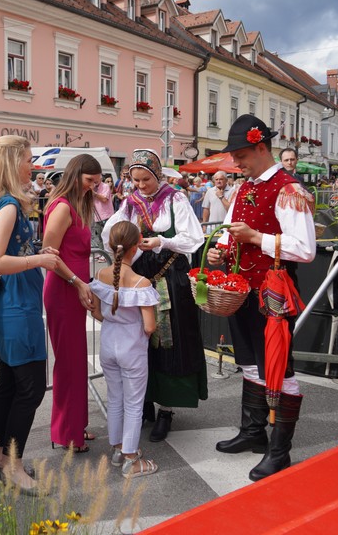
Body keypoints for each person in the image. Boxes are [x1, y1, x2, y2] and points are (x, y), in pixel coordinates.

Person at [207, 114, 316, 482]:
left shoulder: (289, 189)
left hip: (273, 292)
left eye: (240, 155)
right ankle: (254, 433)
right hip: (242, 288)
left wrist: (256, 238)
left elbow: (305, 249)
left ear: (261, 147)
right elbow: (230, 233)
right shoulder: (243, 188)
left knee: (278, 368)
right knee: (251, 363)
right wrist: (220, 251)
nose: (235, 163)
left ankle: (279, 450)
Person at [101, 150, 205, 443]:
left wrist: (162, 241)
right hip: (139, 279)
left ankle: (167, 409)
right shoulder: (130, 203)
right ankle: (143, 402)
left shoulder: (175, 198)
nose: (140, 185)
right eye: (135, 180)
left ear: (157, 175)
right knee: (140, 342)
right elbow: (111, 233)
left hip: (170, 278)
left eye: (145, 179)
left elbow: (193, 238)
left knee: (169, 343)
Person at [0, 136, 60, 494]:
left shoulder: (0, 202)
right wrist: (39, 259)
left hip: (14, 303)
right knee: (30, 388)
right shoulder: (9, 205)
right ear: (12, 163)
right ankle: (14, 465)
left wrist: (34, 255)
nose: (33, 166)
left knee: (10, 382)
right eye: (28, 159)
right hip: (17, 305)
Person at [89, 221, 159, 478]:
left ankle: (118, 448)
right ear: (135, 247)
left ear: (110, 245)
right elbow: (149, 326)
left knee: (115, 398)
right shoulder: (141, 283)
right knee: (133, 403)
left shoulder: (101, 275)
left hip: (108, 343)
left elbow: (96, 312)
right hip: (132, 347)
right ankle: (131, 458)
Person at [42, 154, 100, 453]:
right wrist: (77, 282)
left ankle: (75, 426)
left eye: (96, 182)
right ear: (76, 175)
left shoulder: (76, 205)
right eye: (89, 181)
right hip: (64, 289)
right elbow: (49, 253)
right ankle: (67, 433)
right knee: (69, 363)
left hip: (75, 288)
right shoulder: (63, 206)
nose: (92, 187)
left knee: (76, 362)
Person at [91, 175, 115, 251]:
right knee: (99, 237)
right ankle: (102, 253)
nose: (95, 180)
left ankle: (109, 253)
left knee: (108, 237)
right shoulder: (92, 187)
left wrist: (94, 193)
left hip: (106, 216)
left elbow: (104, 199)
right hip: (97, 217)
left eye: (97, 178)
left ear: (101, 178)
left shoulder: (105, 186)